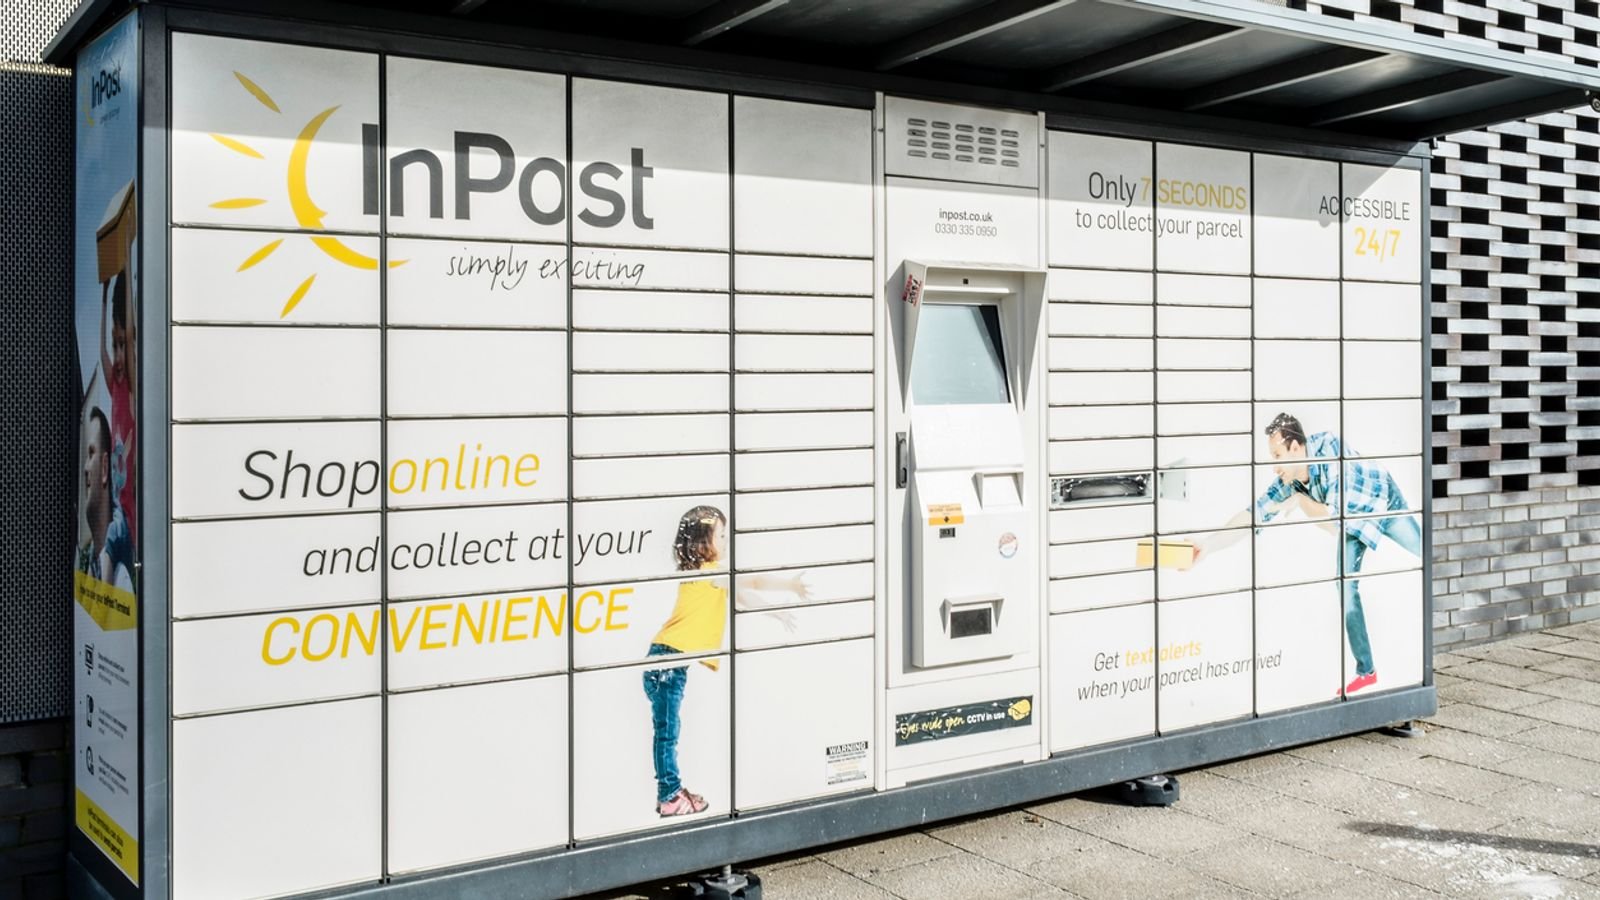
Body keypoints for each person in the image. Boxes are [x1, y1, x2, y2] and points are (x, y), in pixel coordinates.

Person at [1196, 413, 1418, 696]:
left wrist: (1300, 500)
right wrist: (1207, 546)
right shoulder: (1290, 479)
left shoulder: (1329, 451)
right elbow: (1253, 514)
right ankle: (1367, 672)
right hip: (1350, 520)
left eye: (1277, 456)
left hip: (1380, 500)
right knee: (1345, 585)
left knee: (1421, 550)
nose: (1274, 467)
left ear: (1296, 447)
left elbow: (1331, 524)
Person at [642, 505, 808, 817]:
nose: (726, 538)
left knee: (667, 730)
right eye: (720, 534)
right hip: (668, 663)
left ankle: (670, 790)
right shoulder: (714, 573)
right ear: (703, 542)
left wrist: (786, 590)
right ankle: (670, 795)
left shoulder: (700, 572)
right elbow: (751, 589)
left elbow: (749, 585)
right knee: (667, 732)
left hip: (664, 661)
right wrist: (781, 604)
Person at [77, 407, 135, 589]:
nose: (85, 468)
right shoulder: (91, 559)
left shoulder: (120, 576)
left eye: (91, 453)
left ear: (104, 469)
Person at [100, 274, 137, 547]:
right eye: (116, 346)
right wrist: (103, 299)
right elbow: (102, 349)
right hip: (117, 503)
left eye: (123, 345)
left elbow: (131, 329)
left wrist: (127, 254)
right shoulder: (114, 385)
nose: (118, 354)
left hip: (131, 505)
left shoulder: (131, 388)